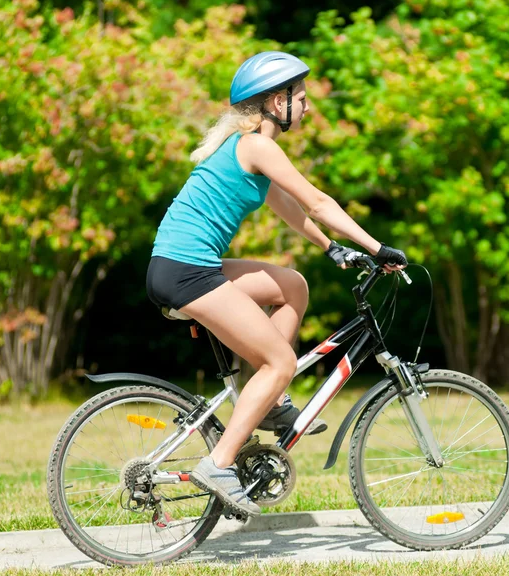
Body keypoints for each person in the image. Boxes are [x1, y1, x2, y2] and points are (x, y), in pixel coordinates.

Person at [146, 51, 407, 517]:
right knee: (281, 360)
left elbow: (290, 207)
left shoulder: (249, 150)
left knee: (293, 287)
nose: (308, 108)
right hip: (186, 270)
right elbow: (319, 202)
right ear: (274, 101)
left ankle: (269, 399)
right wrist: (375, 247)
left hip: (183, 264)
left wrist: (330, 248)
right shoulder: (258, 146)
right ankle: (220, 462)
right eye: (301, 98)